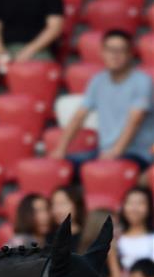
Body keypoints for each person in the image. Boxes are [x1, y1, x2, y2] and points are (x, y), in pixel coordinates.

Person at [50, 31, 154, 173]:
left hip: (137, 154)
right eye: (110, 50)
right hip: (104, 152)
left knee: (105, 169)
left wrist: (115, 153)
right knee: (62, 166)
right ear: (102, 52)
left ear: (130, 54)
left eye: (121, 50)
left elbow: (135, 121)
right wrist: (60, 149)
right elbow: (79, 116)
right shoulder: (98, 81)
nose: (115, 55)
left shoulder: (142, 82)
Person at [50, 185, 86, 252]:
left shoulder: (88, 237)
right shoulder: (48, 238)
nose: (57, 210)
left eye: (63, 203)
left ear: (76, 205)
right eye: (54, 204)